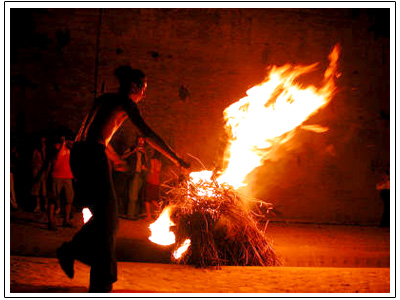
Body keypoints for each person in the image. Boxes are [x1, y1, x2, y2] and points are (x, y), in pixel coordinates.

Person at [56, 65, 189, 293]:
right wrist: (176, 159)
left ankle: (100, 279)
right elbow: (147, 134)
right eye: (143, 88)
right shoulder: (127, 103)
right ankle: (75, 253)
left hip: (79, 155)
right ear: (134, 87)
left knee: (105, 221)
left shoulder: (103, 99)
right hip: (92, 156)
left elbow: (91, 135)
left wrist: (115, 158)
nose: (144, 94)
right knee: (108, 220)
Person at [47, 136, 75, 230]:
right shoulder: (57, 147)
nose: (72, 142)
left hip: (68, 177)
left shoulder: (71, 150)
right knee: (53, 200)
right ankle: (51, 222)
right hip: (56, 176)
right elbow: (56, 157)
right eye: (70, 141)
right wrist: (62, 144)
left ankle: (66, 220)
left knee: (69, 200)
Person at [121, 137, 147, 219]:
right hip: (133, 173)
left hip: (140, 175)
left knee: (138, 195)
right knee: (133, 195)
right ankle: (130, 214)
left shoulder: (143, 152)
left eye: (142, 141)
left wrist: (145, 154)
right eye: (140, 140)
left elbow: (145, 162)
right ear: (137, 141)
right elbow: (123, 157)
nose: (141, 142)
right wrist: (133, 152)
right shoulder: (132, 148)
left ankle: (134, 213)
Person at [31, 136, 48, 213]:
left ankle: (45, 205)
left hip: (44, 171)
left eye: (44, 142)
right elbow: (33, 161)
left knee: (44, 190)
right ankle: (37, 206)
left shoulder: (47, 150)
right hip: (37, 170)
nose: (42, 143)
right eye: (41, 141)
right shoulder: (36, 151)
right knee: (36, 189)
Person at [144, 149, 162, 221]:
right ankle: (160, 213)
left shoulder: (152, 160)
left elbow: (151, 170)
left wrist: (145, 169)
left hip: (151, 181)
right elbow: (158, 170)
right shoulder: (159, 162)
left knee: (148, 199)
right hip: (156, 182)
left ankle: (149, 216)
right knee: (154, 199)